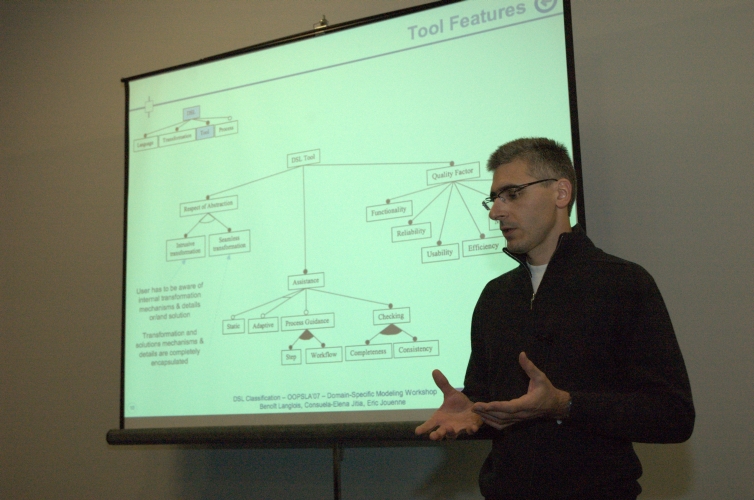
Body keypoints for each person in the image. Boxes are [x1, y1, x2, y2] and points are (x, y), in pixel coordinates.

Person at [415, 138, 694, 499]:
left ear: (561, 193)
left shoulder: (623, 284)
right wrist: (473, 411)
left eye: (512, 194)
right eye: (494, 198)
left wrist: (565, 404)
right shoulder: (496, 296)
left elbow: (673, 415)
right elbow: (489, 400)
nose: (495, 212)